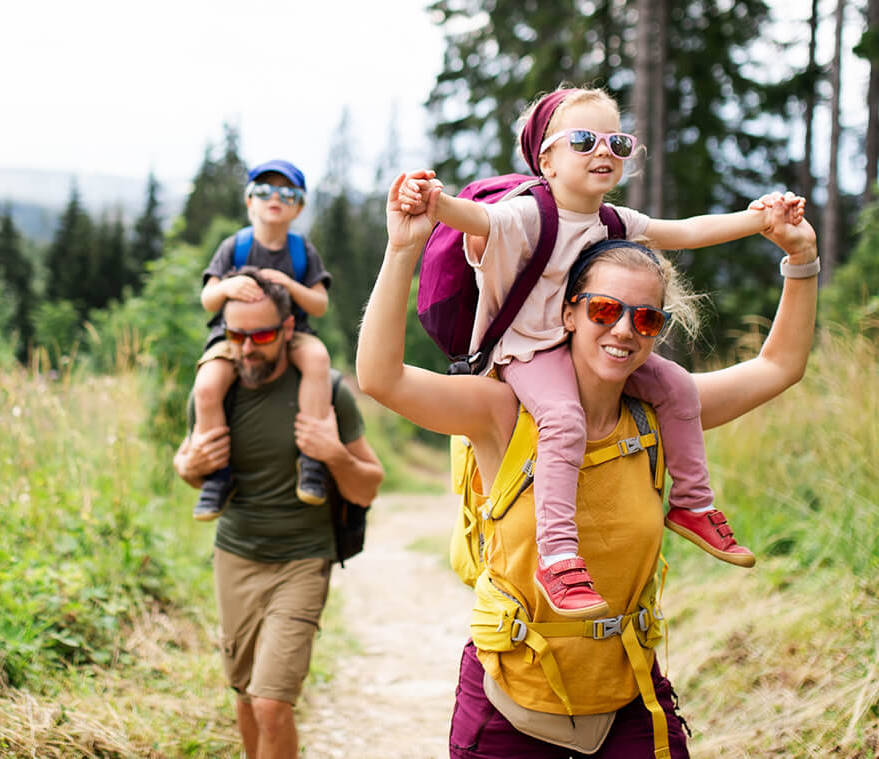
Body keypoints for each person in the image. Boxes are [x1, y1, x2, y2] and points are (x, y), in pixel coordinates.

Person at [358, 171, 817, 758]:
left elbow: (779, 367)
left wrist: (800, 258)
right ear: (568, 314)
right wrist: (402, 248)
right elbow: (380, 378)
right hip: (508, 705)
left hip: (629, 700)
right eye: (604, 309)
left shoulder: (661, 417)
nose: (624, 330)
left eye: (647, 319)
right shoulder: (504, 411)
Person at [397, 87, 807, 618]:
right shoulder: (527, 214)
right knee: (563, 419)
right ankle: (559, 556)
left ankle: (691, 505)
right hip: (527, 354)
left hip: (577, 345)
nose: (604, 151)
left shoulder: (611, 222)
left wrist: (760, 221)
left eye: (618, 141)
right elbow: (475, 220)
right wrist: (430, 202)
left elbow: (681, 234)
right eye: (585, 140)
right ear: (546, 158)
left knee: (678, 386)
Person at [173, 267, 384, 759]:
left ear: (288, 331)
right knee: (246, 695)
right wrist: (188, 465)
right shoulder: (215, 391)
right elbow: (192, 470)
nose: (248, 348)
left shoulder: (328, 393)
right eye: (236, 335)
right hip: (236, 557)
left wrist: (333, 453)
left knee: (271, 703)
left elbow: (368, 487)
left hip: (302, 561)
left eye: (262, 335)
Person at [192, 159, 338, 520]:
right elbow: (208, 299)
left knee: (318, 361)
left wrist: (289, 285)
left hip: (292, 332)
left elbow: (319, 304)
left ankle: (312, 460)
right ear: (249, 202)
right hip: (235, 335)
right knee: (208, 386)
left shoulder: (302, 251)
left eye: (287, 193)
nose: (275, 198)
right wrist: (226, 286)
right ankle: (217, 473)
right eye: (264, 191)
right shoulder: (235, 247)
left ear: (299, 207)